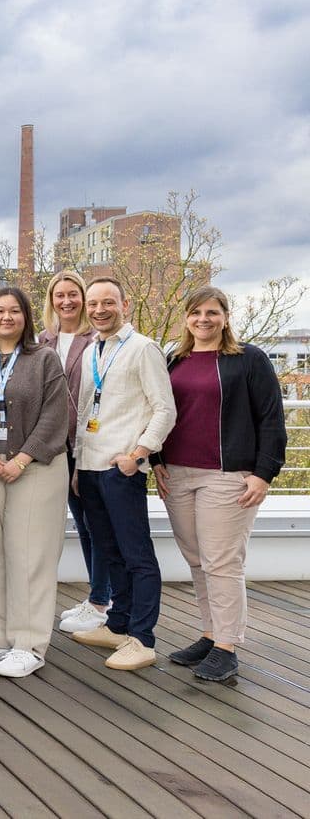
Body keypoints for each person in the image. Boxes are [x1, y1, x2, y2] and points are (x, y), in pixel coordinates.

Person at [153, 286, 285, 682]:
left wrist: (264, 473)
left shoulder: (248, 359)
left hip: (227, 477)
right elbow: (159, 410)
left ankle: (227, 648)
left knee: (222, 562)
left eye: (212, 312)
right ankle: (211, 635)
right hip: (177, 473)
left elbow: (272, 418)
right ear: (186, 317)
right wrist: (157, 459)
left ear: (225, 316)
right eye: (196, 313)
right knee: (197, 560)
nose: (203, 320)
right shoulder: (174, 358)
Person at [0, 288, 69, 677]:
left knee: (29, 555)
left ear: (26, 317)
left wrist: (21, 458)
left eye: (14, 311)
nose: (6, 317)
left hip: (36, 466)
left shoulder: (44, 359)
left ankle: (29, 643)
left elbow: (56, 416)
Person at [70, 277, 176, 670]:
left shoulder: (143, 349)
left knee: (137, 556)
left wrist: (139, 453)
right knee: (109, 550)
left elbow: (165, 409)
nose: (99, 310)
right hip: (91, 468)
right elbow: (84, 411)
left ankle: (143, 638)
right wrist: (79, 464)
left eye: (107, 302)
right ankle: (117, 624)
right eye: (93, 303)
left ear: (125, 304)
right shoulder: (91, 349)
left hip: (122, 468)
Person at [35, 272, 105, 634]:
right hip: (50, 446)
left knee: (93, 525)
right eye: (59, 295)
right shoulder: (42, 339)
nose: (66, 301)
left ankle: (99, 600)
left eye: (73, 294)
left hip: (85, 445)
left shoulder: (97, 339)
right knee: (62, 525)